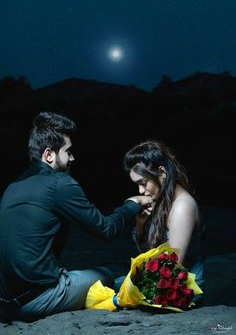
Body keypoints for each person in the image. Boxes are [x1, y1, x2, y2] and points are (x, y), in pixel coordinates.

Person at [0, 112, 152, 322]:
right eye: (68, 151)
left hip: (6, 304)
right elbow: (107, 230)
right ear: (49, 155)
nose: (73, 158)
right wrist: (132, 204)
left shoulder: (12, 188)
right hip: (37, 301)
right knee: (113, 272)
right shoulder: (59, 183)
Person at [123, 139, 205, 303]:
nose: (140, 191)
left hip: (180, 293)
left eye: (143, 183)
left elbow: (170, 271)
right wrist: (140, 226)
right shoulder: (163, 201)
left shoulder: (182, 208)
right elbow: (150, 259)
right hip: (160, 284)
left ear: (162, 173)